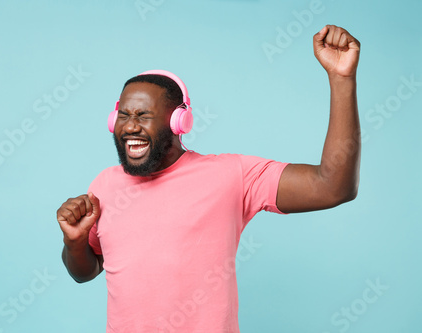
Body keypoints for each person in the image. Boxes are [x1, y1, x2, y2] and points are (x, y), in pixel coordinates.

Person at [57, 25, 361, 332]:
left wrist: (342, 79)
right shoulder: (104, 185)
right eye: (124, 114)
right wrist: (74, 241)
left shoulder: (231, 176)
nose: (130, 126)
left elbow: (332, 187)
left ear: (179, 120)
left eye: (144, 115)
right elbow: (85, 271)